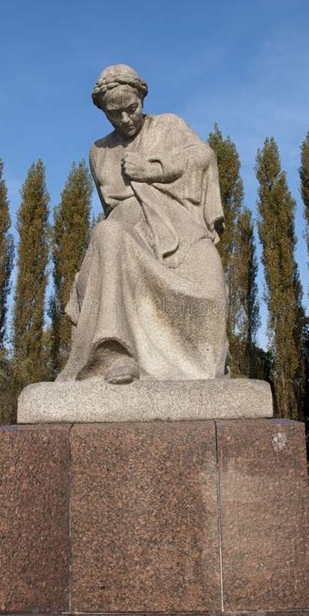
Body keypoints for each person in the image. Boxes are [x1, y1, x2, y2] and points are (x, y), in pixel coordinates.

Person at [57, 64, 229, 384]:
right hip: (127, 239)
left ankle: (193, 365)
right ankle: (115, 354)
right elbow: (111, 210)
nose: (125, 119)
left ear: (142, 98)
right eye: (114, 113)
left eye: (131, 109)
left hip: (178, 229)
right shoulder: (99, 152)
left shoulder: (168, 127)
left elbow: (203, 158)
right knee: (108, 234)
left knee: (210, 287)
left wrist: (152, 169)